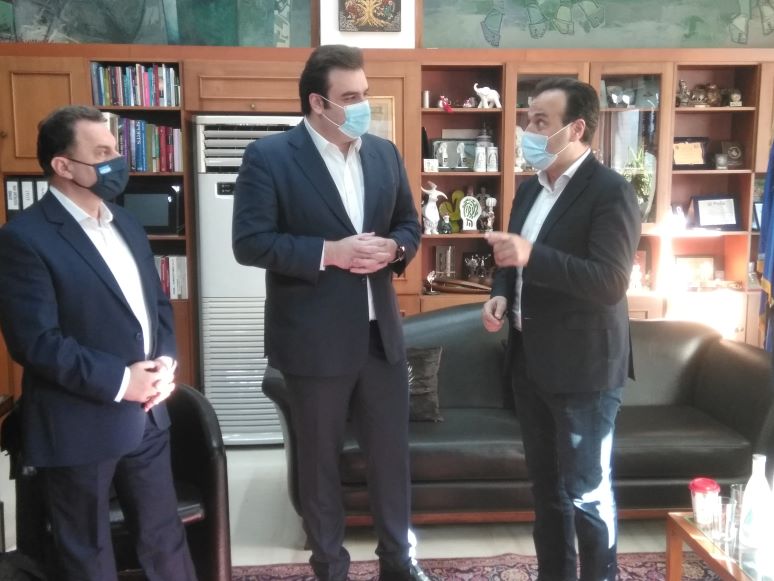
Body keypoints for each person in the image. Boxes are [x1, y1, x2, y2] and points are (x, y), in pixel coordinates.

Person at [232, 45, 427, 581]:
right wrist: (329, 253)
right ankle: (330, 567)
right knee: (319, 464)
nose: (363, 106)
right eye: (351, 97)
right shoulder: (270, 156)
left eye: (365, 94)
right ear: (318, 102)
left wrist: (395, 248)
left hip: (381, 336)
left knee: (391, 458)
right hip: (313, 341)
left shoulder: (383, 153)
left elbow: (409, 224)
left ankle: (398, 562)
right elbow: (250, 243)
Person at [0, 105, 196, 581]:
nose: (117, 162)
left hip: (148, 415)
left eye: (115, 150)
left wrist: (164, 363)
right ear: (63, 166)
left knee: (165, 539)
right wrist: (122, 381)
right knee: (87, 553)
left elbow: (156, 305)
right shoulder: (23, 238)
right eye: (102, 153)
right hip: (78, 422)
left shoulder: (126, 223)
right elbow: (36, 342)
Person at [481, 78, 641, 581]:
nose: (528, 129)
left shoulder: (611, 191)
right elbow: (511, 259)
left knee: (586, 495)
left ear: (576, 129)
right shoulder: (530, 189)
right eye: (528, 119)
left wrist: (533, 255)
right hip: (530, 362)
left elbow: (610, 282)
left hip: (585, 370)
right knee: (546, 493)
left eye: (540, 121)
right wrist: (500, 292)